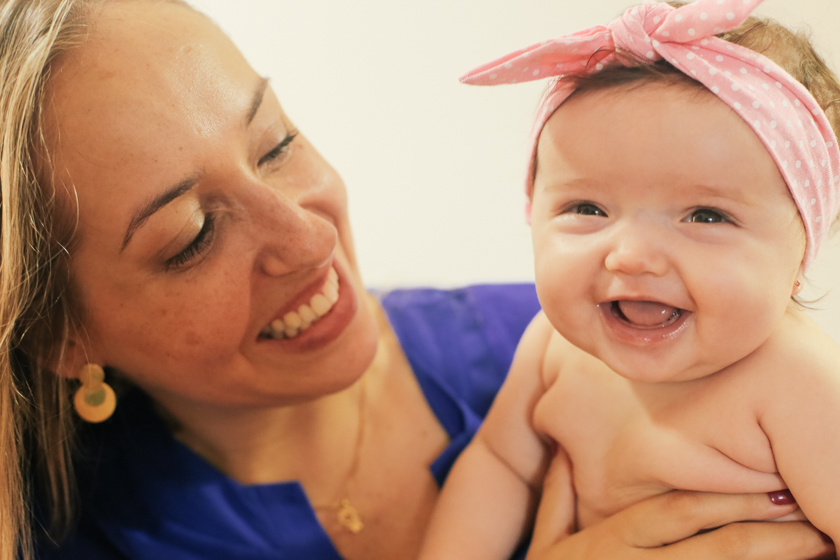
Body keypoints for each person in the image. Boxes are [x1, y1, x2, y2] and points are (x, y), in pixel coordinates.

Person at [0, 0, 826, 559]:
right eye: (193, 235)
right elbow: (499, 468)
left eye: (277, 144)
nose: (307, 234)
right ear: (59, 335)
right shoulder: (83, 533)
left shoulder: (787, 379)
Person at [419, 1, 840, 559]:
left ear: (801, 251)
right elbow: (500, 465)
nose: (633, 256)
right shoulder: (550, 347)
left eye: (706, 216)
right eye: (588, 207)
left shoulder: (800, 383)